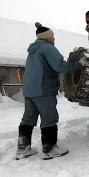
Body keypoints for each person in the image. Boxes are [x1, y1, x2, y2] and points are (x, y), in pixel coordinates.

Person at [15, 22, 82, 160]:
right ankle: (49, 148)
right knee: (49, 118)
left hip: (29, 90)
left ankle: (23, 148)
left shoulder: (33, 50)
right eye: (53, 36)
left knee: (28, 118)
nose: (54, 39)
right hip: (43, 89)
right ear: (47, 37)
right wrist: (77, 65)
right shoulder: (47, 48)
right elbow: (60, 66)